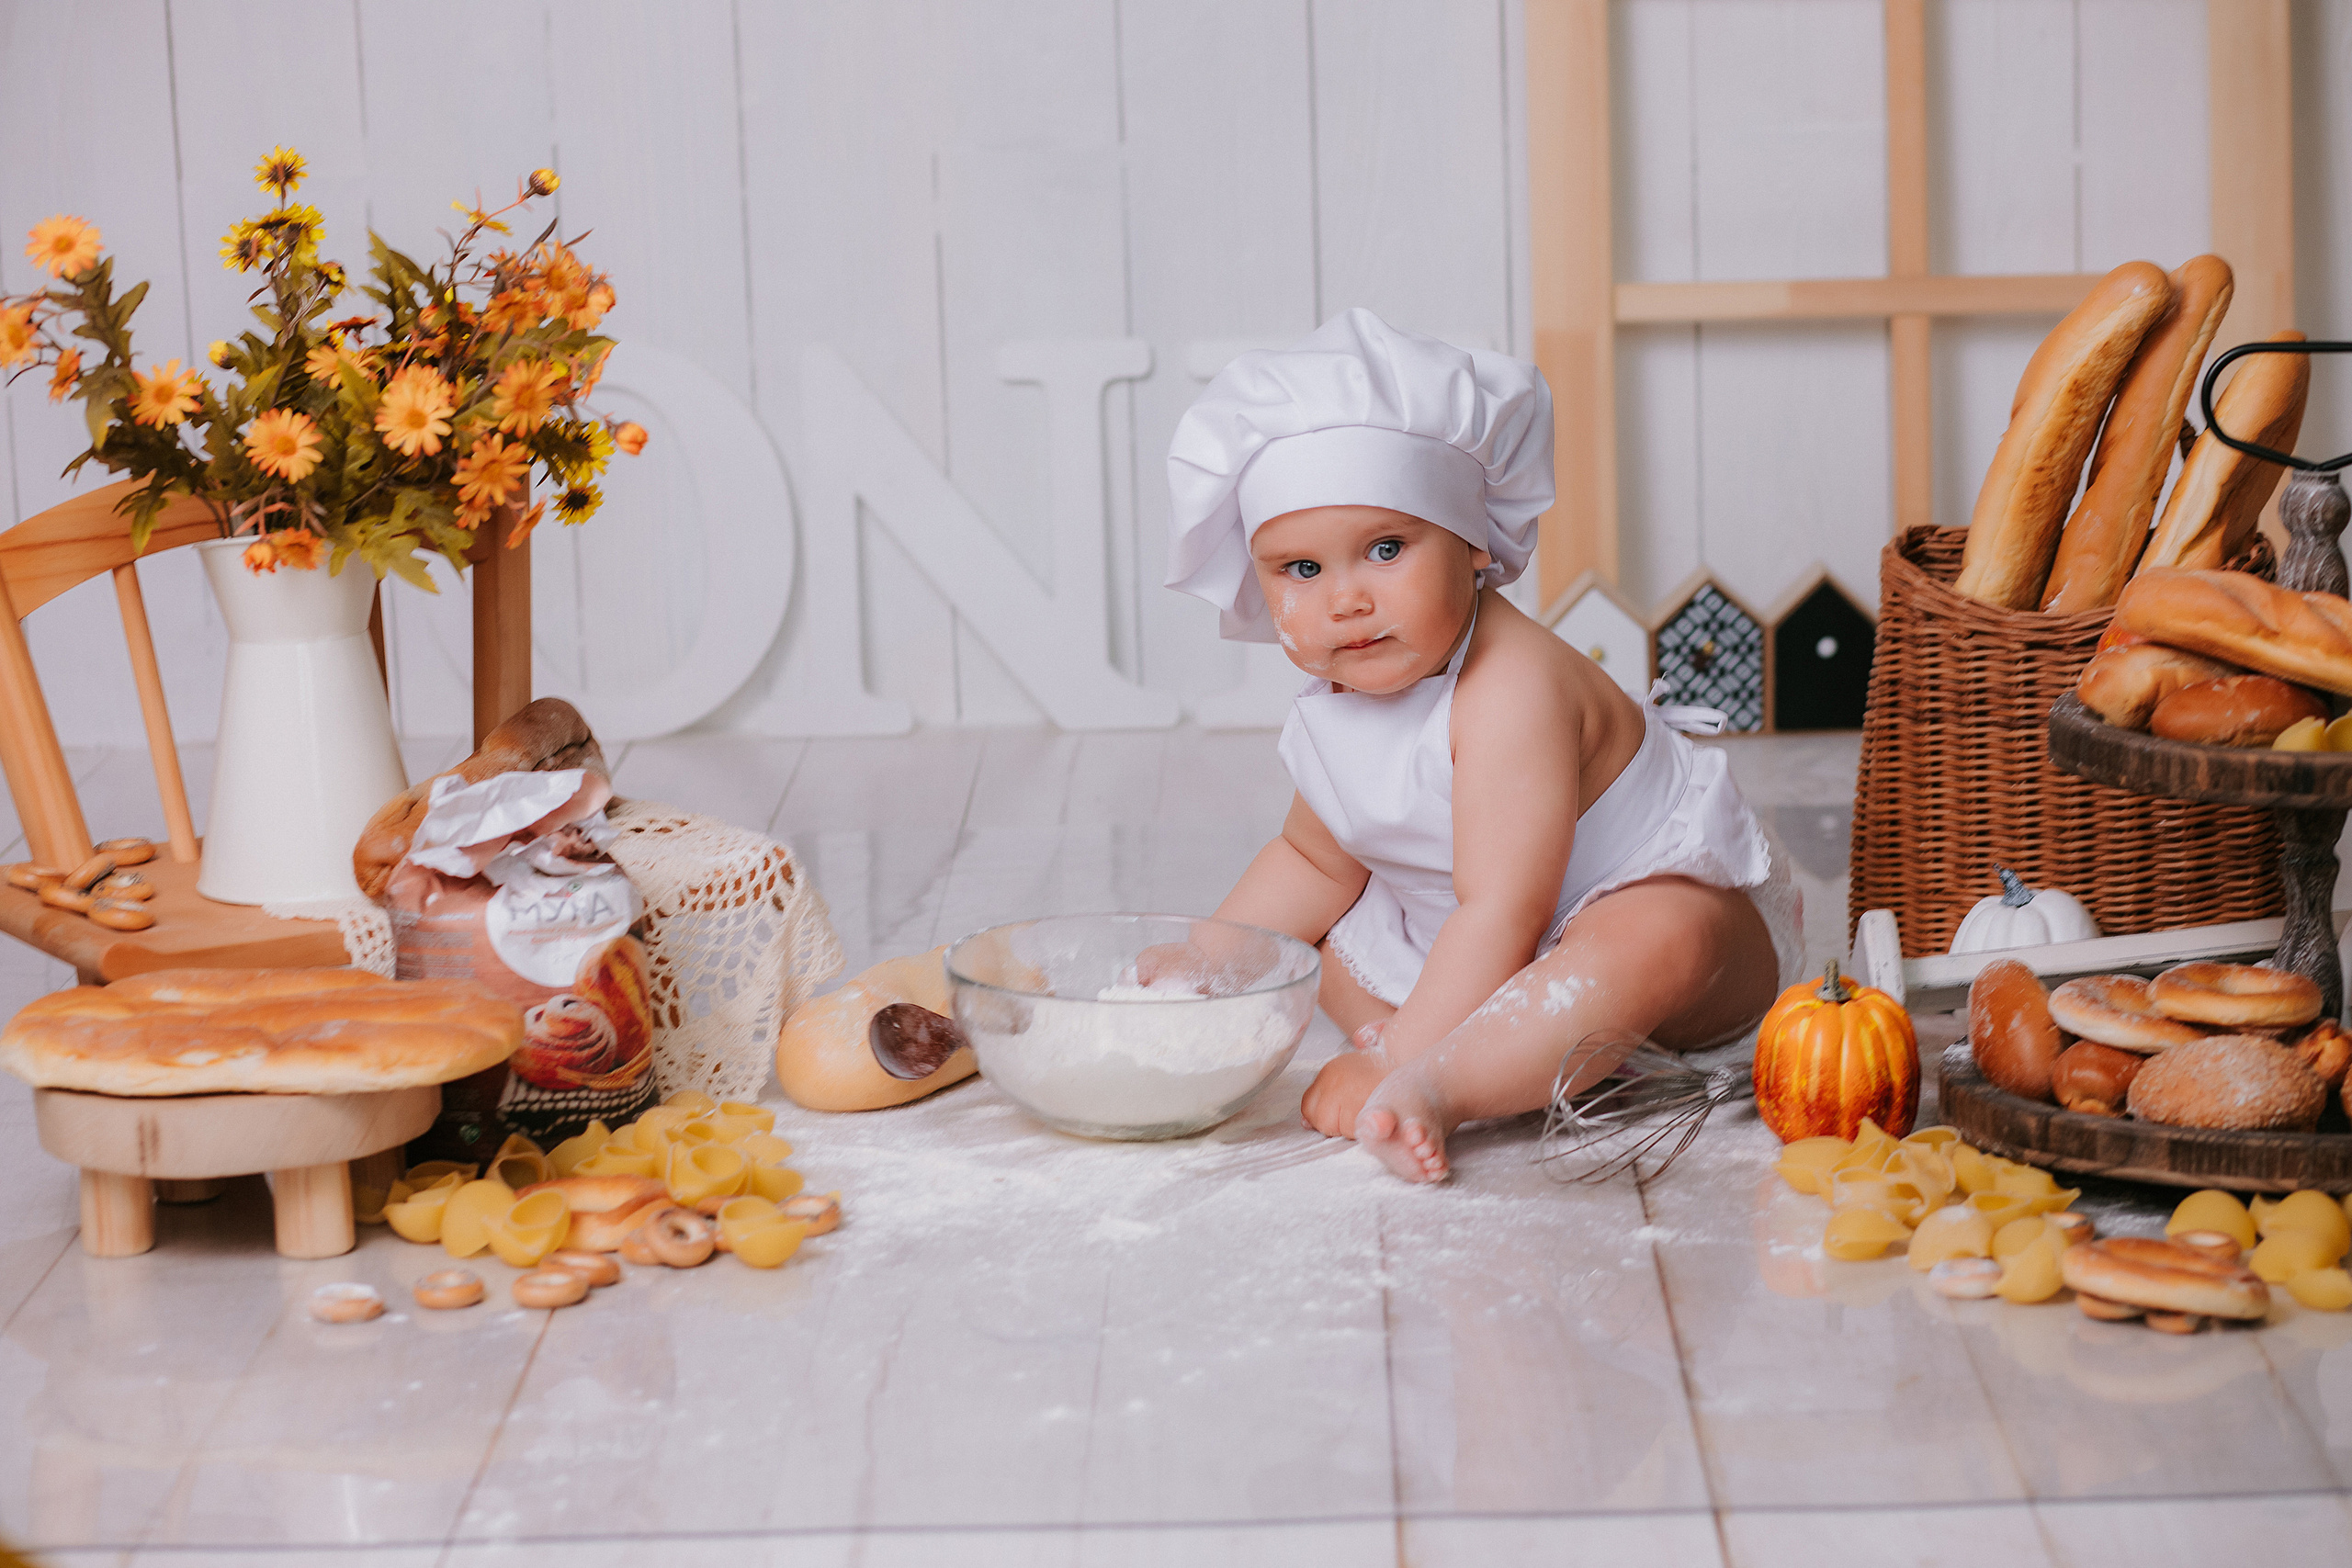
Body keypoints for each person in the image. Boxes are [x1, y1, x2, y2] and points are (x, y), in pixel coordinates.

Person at [1156, 310, 1804, 1183]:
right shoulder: (1348, 689)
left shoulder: (1512, 689)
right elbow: (1311, 860)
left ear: (1473, 548)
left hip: (1637, 950)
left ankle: (1441, 1079)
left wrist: (1402, 1060)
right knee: (1315, 929)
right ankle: (1478, 1039)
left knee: (1665, 931)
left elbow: (1505, 908)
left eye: (1386, 548)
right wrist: (1204, 964)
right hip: (1482, 946)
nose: (1344, 599)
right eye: (1300, 570)